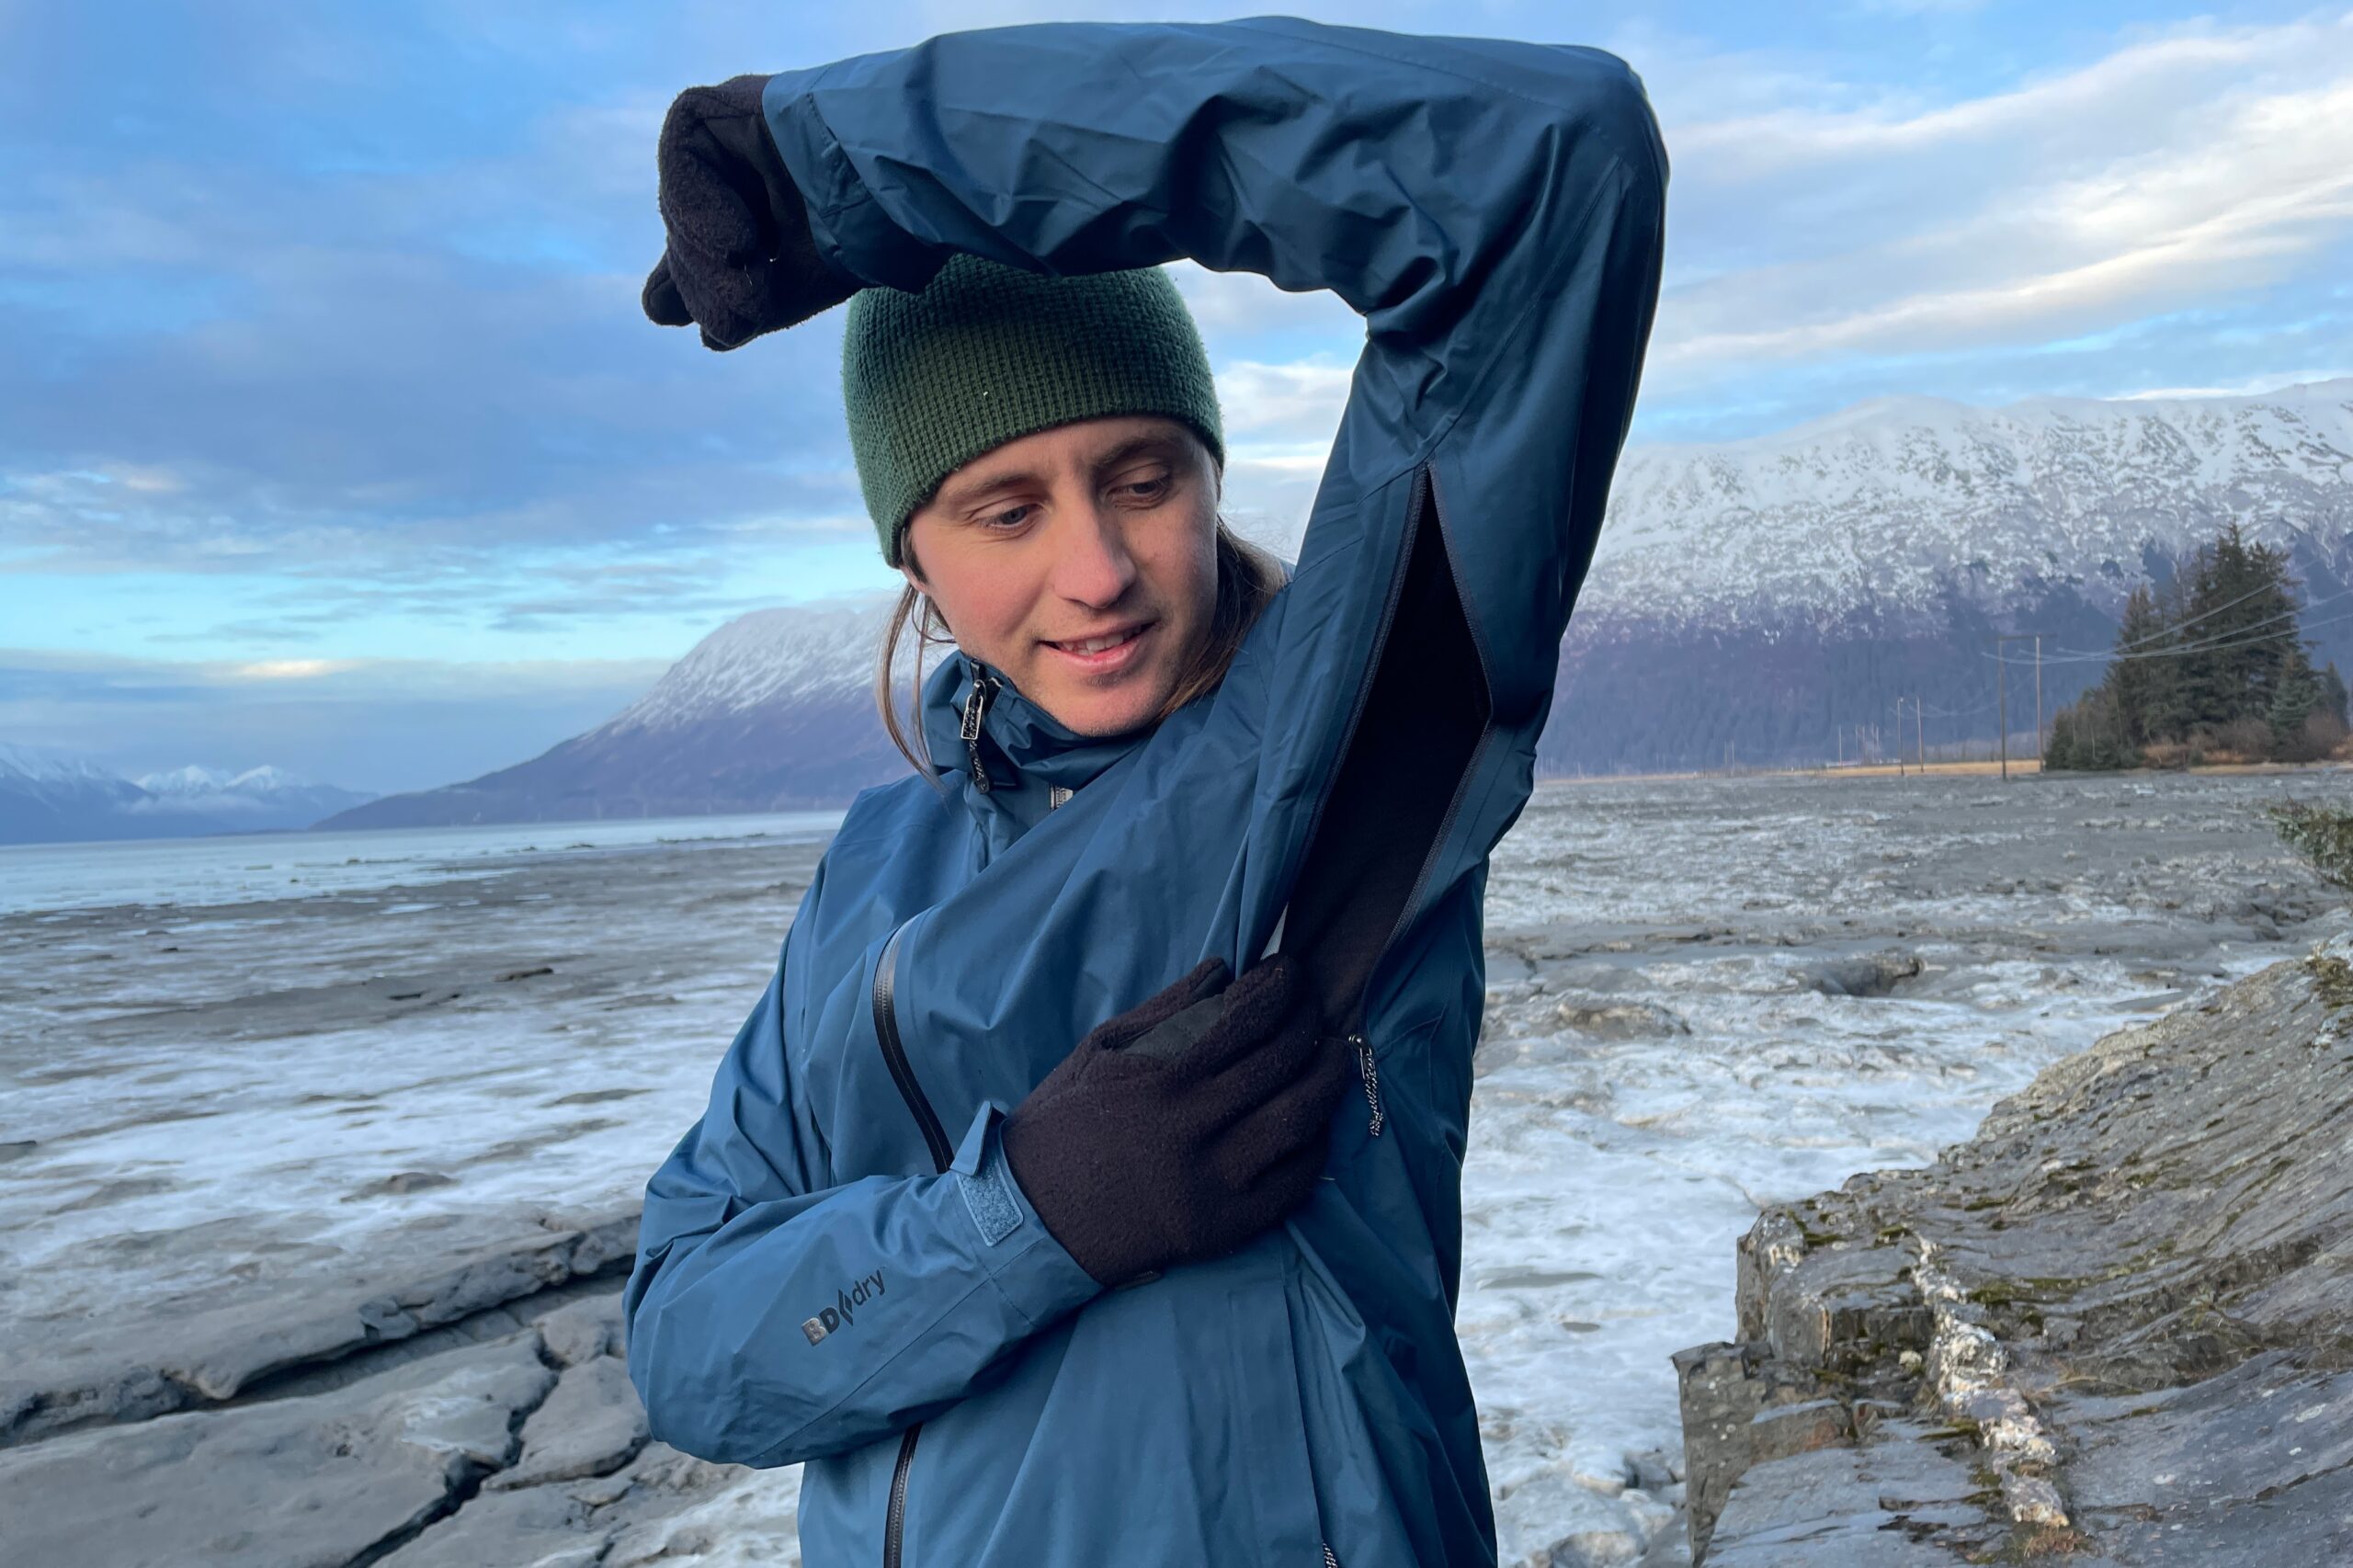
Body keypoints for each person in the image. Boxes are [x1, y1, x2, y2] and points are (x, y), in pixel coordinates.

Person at [623, 17, 1666, 1567]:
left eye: (1141, 477)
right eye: (1005, 507)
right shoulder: (875, 865)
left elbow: (1548, 161)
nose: (1096, 570)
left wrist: (856, 166)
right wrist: (1027, 1215)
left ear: (1209, 478)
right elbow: (690, 1338)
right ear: (915, 548)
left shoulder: (1333, 752)